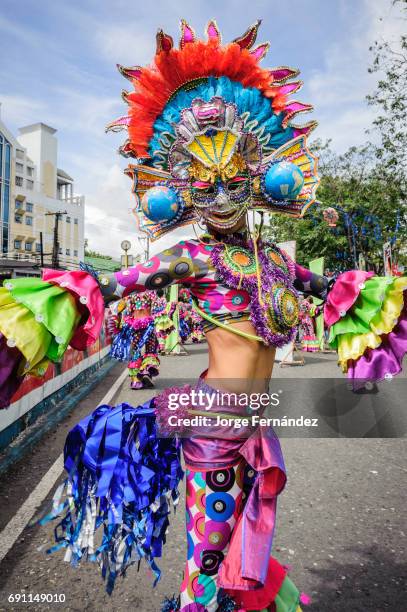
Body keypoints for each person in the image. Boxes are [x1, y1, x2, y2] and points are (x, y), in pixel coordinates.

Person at [0, 19, 406, 612]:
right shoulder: (192, 257)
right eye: (204, 185)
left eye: (233, 180)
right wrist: (31, 323)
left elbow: (341, 292)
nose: (219, 197)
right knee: (209, 564)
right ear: (183, 190)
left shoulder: (273, 260)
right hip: (215, 428)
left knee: (249, 546)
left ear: (260, 176)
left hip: (259, 421)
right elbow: (113, 286)